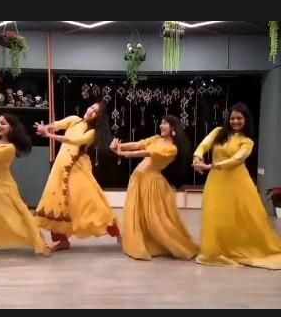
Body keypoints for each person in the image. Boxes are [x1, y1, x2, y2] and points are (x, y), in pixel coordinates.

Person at [193, 102, 281, 269]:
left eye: (239, 118)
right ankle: (216, 249)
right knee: (215, 214)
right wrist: (197, 157)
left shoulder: (247, 141)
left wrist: (210, 166)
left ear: (246, 120)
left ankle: (238, 247)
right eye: (232, 118)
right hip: (216, 181)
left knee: (241, 216)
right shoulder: (218, 132)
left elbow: (237, 159)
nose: (235, 121)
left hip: (239, 182)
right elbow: (204, 144)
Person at [110, 115, 199, 261]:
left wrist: (122, 153)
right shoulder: (156, 139)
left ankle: (176, 245)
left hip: (151, 182)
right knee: (140, 213)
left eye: (165, 124)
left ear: (173, 128)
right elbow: (139, 144)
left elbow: (147, 153)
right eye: (161, 123)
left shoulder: (172, 148)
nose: (161, 126)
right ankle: (145, 241)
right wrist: (120, 146)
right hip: (139, 179)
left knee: (156, 219)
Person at [34, 102, 120, 251]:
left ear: (98, 118)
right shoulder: (74, 120)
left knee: (91, 200)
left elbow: (74, 141)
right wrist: (45, 128)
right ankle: (62, 240)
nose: (91, 111)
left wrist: (49, 135)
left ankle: (117, 233)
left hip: (76, 168)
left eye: (96, 112)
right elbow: (57, 124)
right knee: (55, 200)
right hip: (61, 165)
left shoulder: (92, 132)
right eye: (92, 107)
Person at [0, 114, 50, 256]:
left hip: (2, 188)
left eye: (3, 123)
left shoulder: (9, 148)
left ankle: (39, 242)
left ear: (11, 128)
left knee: (16, 218)